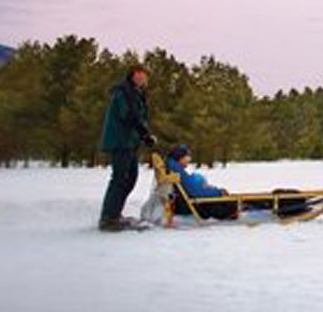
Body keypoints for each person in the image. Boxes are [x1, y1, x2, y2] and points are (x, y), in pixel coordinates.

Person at [98, 66, 157, 231]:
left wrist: (144, 136)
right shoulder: (124, 93)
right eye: (138, 75)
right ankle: (108, 218)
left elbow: (138, 117)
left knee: (130, 178)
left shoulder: (136, 93)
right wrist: (145, 134)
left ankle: (115, 214)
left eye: (144, 76)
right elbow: (129, 116)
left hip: (130, 142)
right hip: (121, 142)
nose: (142, 78)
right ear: (132, 76)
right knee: (120, 178)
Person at [164, 145, 237, 220]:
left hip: (186, 202)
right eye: (187, 156)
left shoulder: (175, 168)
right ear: (180, 157)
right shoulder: (177, 171)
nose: (189, 159)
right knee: (228, 205)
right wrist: (218, 192)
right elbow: (196, 191)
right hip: (191, 205)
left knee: (227, 202)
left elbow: (192, 187)